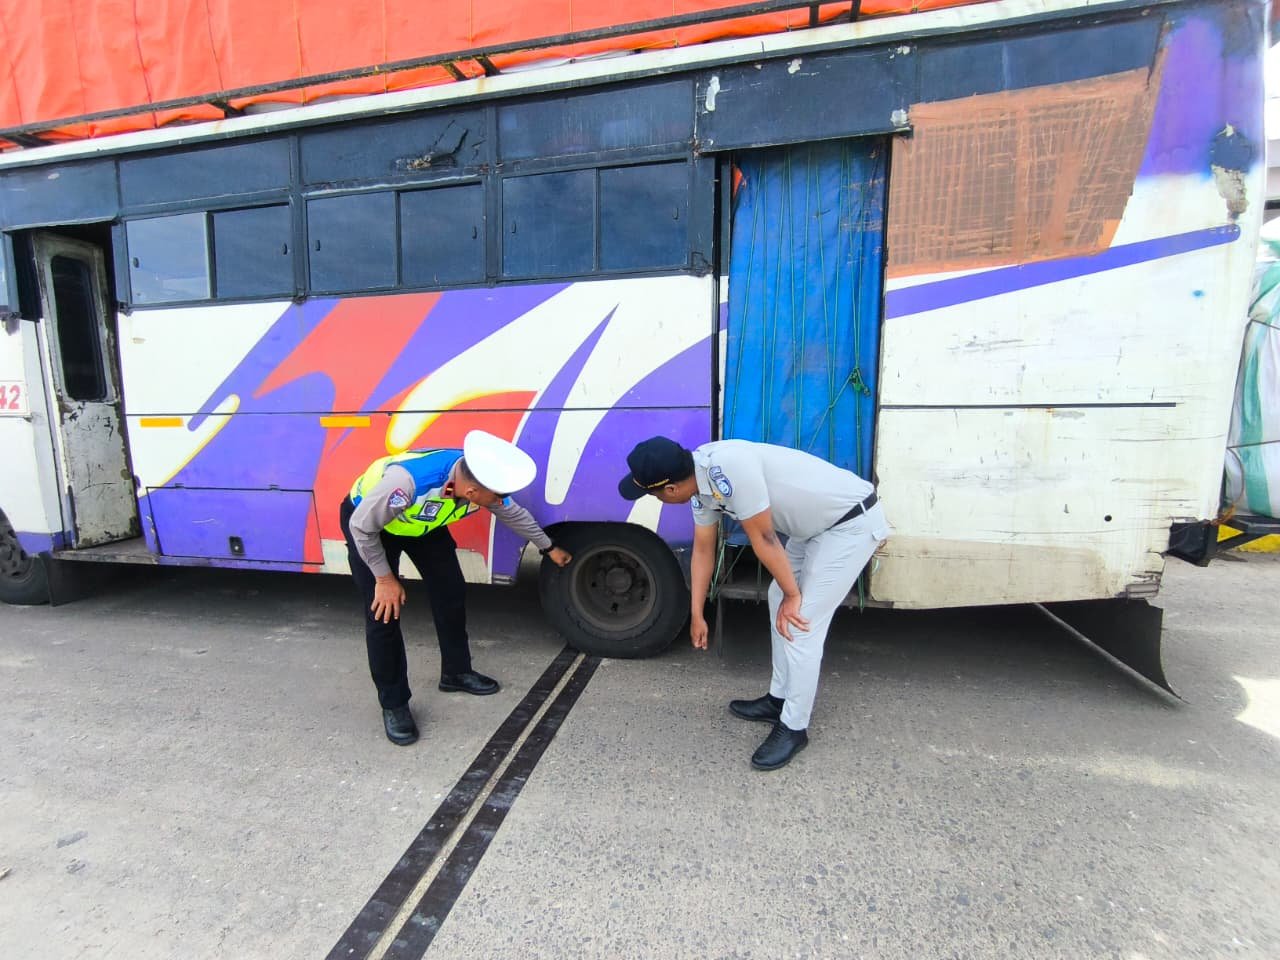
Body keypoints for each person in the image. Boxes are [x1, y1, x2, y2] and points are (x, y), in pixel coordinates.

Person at [618, 436, 889, 770]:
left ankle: (794, 727)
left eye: (653, 494)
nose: (658, 499)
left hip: (849, 523)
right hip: (814, 529)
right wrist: (696, 613)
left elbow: (764, 538)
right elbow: (704, 551)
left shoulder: (727, 469)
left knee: (802, 622)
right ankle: (778, 699)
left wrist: (795, 595)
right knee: (778, 596)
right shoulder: (701, 486)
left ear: (671, 489)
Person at [341, 430, 571, 745]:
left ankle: (456, 672)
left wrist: (548, 547)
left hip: (423, 524)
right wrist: (384, 579)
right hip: (372, 527)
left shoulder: (474, 480)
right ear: (473, 492)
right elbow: (361, 527)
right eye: (495, 497)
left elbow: (512, 512)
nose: (500, 501)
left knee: (450, 591)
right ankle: (394, 704)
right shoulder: (407, 485)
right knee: (383, 613)